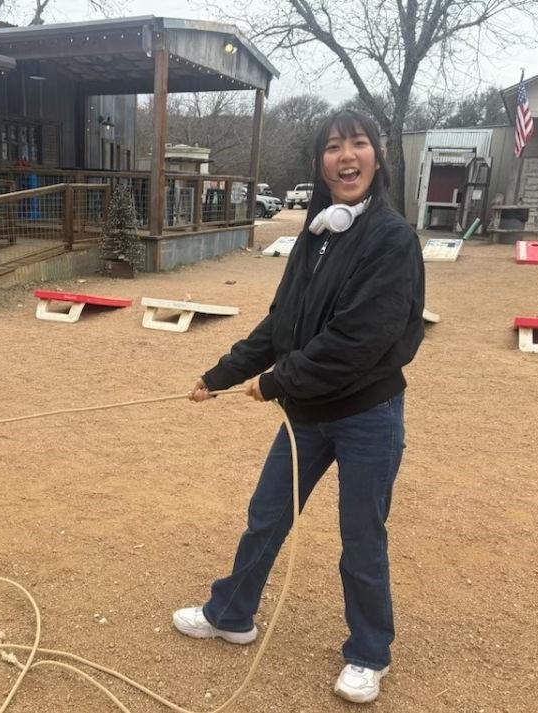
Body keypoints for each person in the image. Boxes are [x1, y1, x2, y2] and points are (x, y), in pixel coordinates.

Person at [173, 110, 425, 705]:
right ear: (320, 164)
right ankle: (231, 614)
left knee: (361, 537)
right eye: (333, 146)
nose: (346, 155)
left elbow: (358, 339)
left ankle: (369, 653)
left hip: (367, 415)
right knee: (267, 515)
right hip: (307, 416)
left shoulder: (392, 239)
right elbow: (280, 324)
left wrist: (277, 380)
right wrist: (221, 374)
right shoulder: (316, 234)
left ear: (377, 157)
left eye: (358, 143)